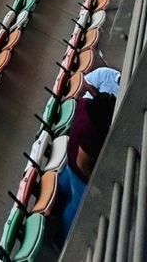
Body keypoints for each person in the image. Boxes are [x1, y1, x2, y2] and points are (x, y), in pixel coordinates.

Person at [56, 92, 116, 243]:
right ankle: (63, 237)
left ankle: (56, 200)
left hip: (71, 152)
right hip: (78, 170)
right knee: (77, 204)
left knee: (66, 181)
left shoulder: (85, 104)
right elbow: (82, 162)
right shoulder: (89, 130)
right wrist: (91, 183)